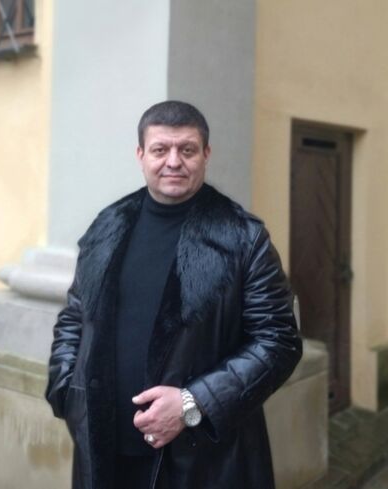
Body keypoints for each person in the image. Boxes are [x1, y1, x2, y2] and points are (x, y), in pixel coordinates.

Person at [45, 100, 302, 489]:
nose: (173, 162)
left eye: (187, 149)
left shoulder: (243, 237)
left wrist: (191, 404)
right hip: (103, 453)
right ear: (140, 155)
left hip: (200, 461)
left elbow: (279, 341)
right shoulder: (107, 226)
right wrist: (66, 389)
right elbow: (74, 317)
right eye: (160, 149)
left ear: (206, 154)